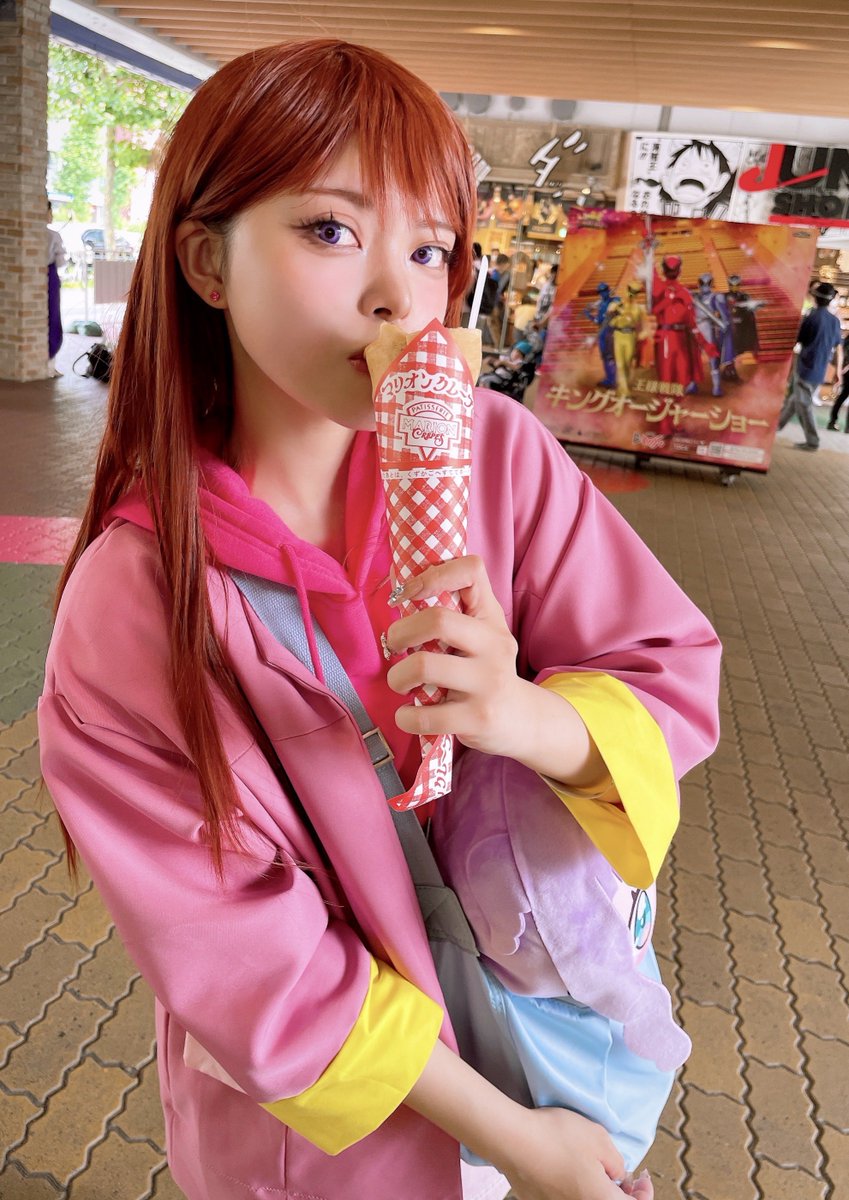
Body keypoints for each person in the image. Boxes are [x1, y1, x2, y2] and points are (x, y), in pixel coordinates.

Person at [38, 38, 720, 1200]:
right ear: (205, 261)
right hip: (339, 1141)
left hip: (549, 1052)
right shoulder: (134, 601)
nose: (399, 296)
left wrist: (524, 716)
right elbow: (247, 961)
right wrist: (517, 1144)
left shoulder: (501, 457)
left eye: (431, 248)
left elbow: (666, 671)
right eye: (330, 229)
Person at [778, 281, 843, 451]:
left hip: (806, 366)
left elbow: (798, 340)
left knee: (804, 404)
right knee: (794, 401)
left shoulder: (811, 317)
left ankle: (813, 441)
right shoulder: (835, 321)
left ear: (815, 298)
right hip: (821, 368)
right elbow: (838, 347)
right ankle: (775, 428)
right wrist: (837, 371)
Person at [47, 199, 66, 376]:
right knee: (52, 318)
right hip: (49, 278)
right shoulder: (53, 236)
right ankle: (49, 365)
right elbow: (60, 262)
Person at [827, 328, 849, 431]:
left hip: (845, 371)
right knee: (842, 397)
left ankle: (833, 421)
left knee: (842, 396)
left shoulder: (846, 339)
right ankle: (835, 422)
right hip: (847, 371)